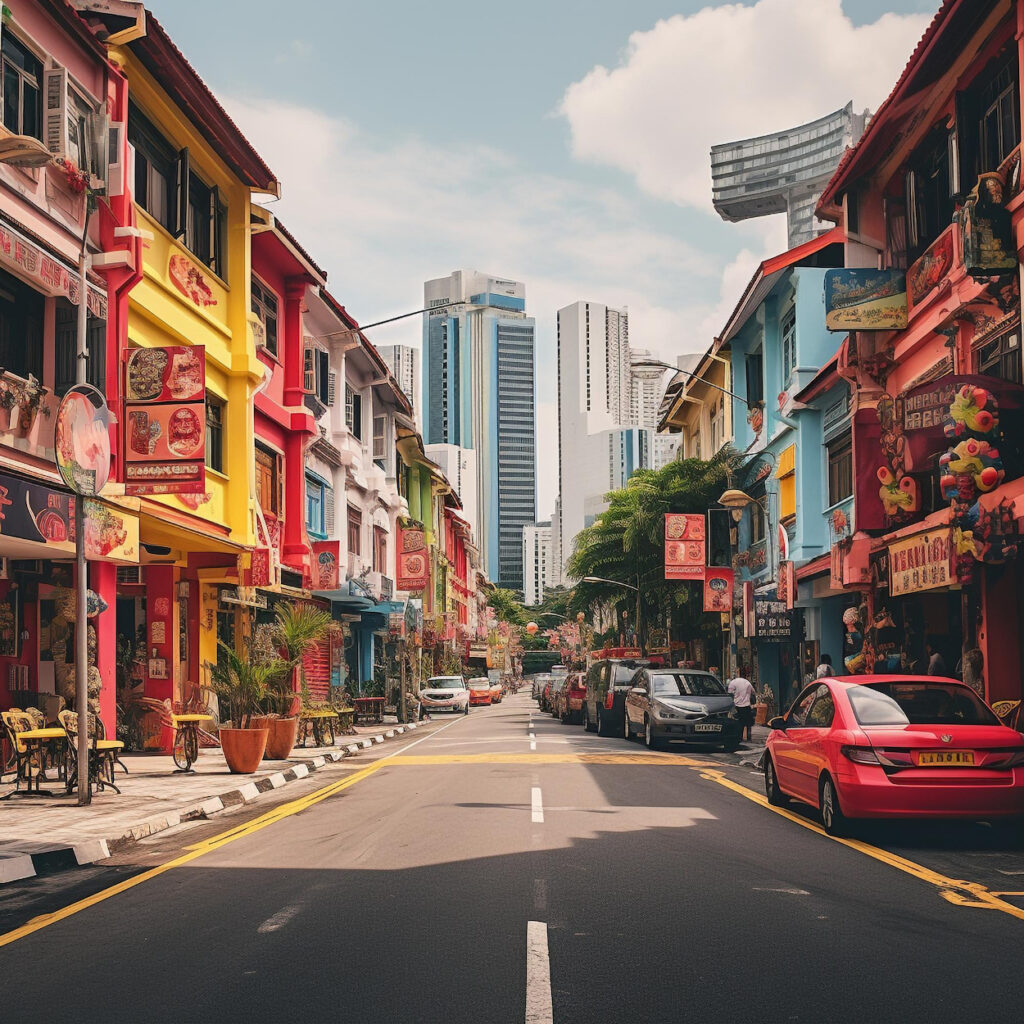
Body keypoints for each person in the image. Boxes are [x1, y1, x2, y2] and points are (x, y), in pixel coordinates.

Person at [727, 665, 756, 743]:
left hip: (737, 706)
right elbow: (753, 693)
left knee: (740, 723)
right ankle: (749, 737)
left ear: (738, 673)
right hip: (746, 706)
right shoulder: (748, 683)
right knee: (748, 723)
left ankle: (739, 737)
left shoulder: (733, 682)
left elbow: (729, 694)